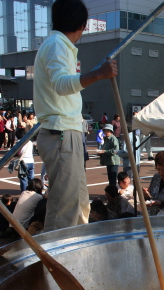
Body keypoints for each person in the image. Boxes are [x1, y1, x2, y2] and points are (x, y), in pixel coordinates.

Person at [34, 0, 117, 232]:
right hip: (61, 133)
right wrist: (99, 74)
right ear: (82, 25)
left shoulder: (59, 45)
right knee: (65, 210)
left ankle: (74, 259)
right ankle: (55, 266)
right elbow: (61, 84)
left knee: (80, 205)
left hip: (67, 133)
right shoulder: (57, 45)